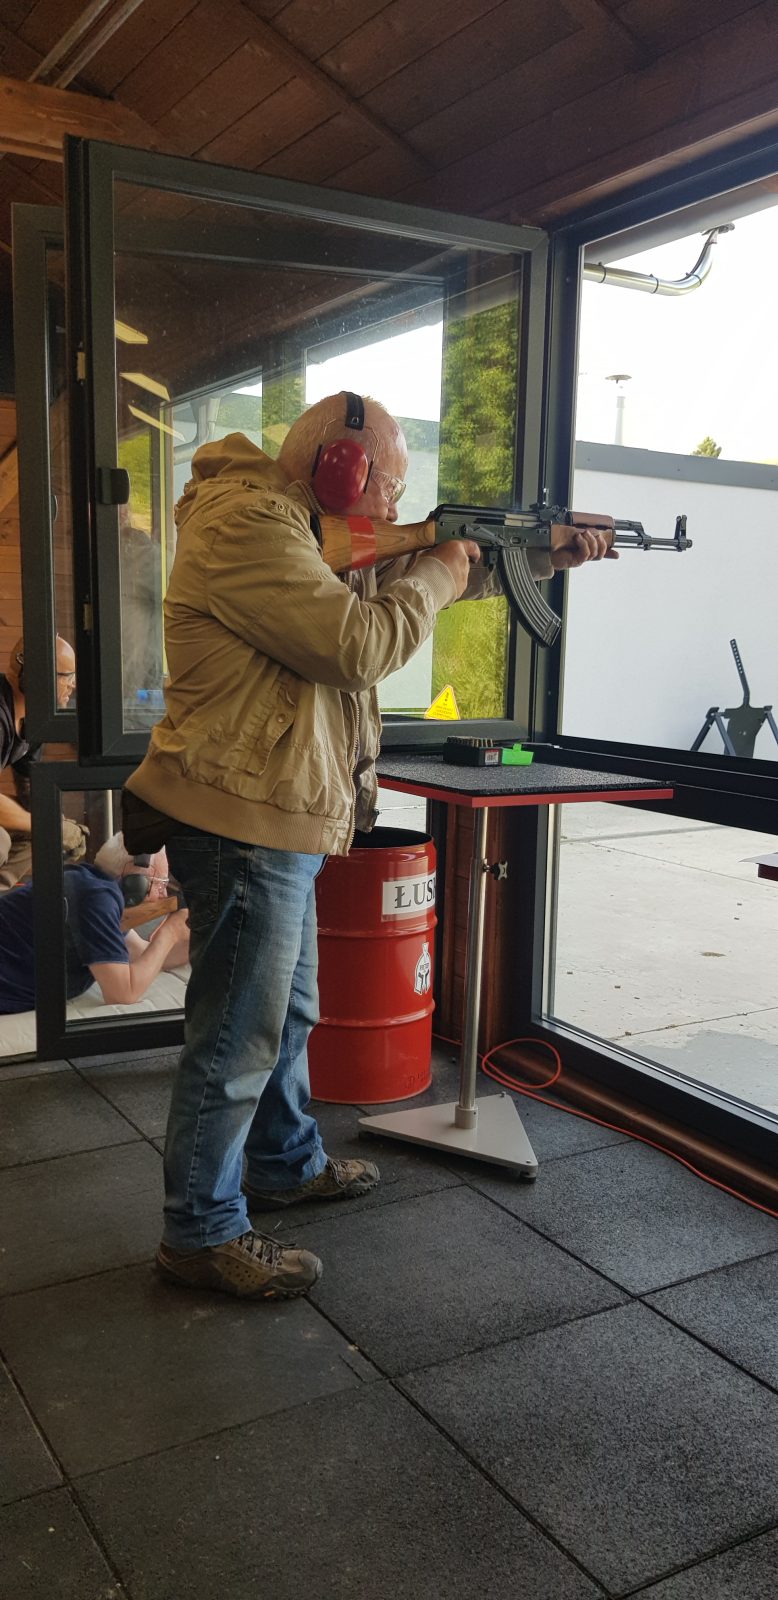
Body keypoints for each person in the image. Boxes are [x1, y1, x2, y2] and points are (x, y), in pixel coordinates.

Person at [123, 391, 611, 1302]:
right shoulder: (247, 525)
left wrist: (541, 555)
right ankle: (198, 1231)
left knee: (286, 1017)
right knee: (235, 1036)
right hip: (240, 820)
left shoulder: (308, 535)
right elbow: (357, 645)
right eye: (387, 484)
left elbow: (416, 578)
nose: (394, 507)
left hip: (281, 816)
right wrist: (442, 565)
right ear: (340, 469)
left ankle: (282, 1163)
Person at [0, 834, 189, 1014]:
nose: (164, 894)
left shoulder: (91, 885)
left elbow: (143, 953)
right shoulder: (95, 898)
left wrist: (194, 938)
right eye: (160, 884)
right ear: (135, 882)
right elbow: (122, 994)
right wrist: (169, 933)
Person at [0, 634, 85, 889]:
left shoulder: (32, 720)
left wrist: (58, 823)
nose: (73, 685)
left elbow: (30, 786)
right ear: (38, 676)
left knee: (38, 834)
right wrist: (49, 825)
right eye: (67, 676)